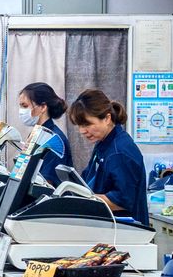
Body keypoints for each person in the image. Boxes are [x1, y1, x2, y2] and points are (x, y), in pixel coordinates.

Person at [68, 89, 149, 226]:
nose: (82, 131)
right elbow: (87, 180)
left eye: (87, 124)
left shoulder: (119, 152)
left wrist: (85, 201)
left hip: (126, 231)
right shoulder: (103, 144)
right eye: (80, 125)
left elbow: (122, 200)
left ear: (107, 118)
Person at [18, 82, 73, 186]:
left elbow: (46, 183)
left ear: (43, 107)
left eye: (25, 106)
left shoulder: (53, 139)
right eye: (20, 106)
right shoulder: (37, 134)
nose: (21, 111)